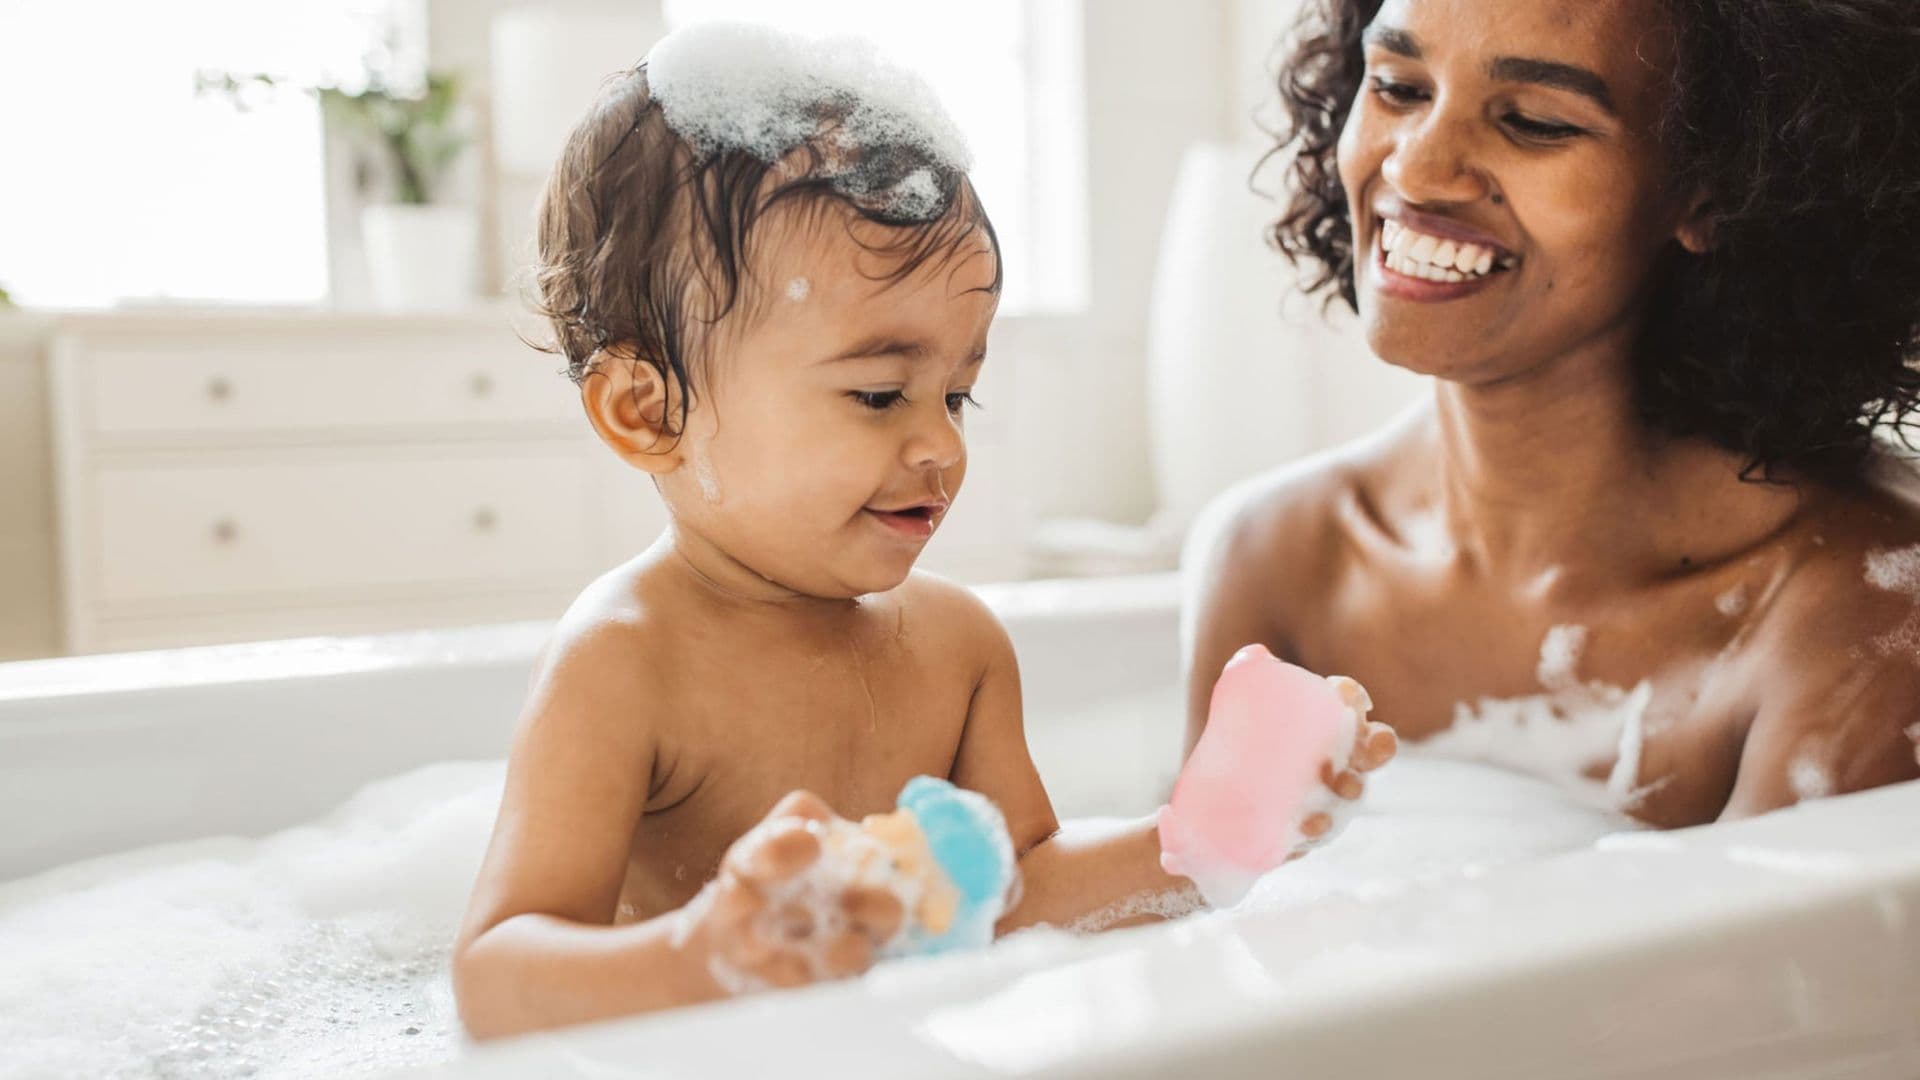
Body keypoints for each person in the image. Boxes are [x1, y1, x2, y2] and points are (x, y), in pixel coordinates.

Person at [1187, 0, 1920, 827]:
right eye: (1397, 86)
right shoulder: (1279, 558)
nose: (1419, 172)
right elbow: (1199, 926)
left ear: (1716, 189)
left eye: (1532, 122)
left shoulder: (1862, 615)